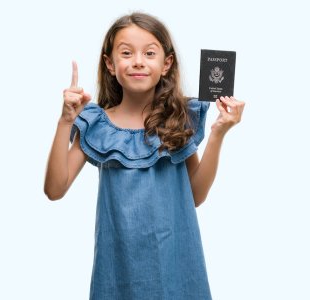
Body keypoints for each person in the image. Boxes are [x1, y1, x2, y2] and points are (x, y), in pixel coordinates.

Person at [44, 12, 245, 299]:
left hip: (176, 267)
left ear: (166, 64)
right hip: (118, 271)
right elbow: (54, 189)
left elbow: (196, 196)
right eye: (127, 53)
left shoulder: (180, 119)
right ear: (110, 64)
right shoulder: (98, 124)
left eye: (149, 53)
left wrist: (218, 134)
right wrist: (65, 122)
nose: (138, 61)